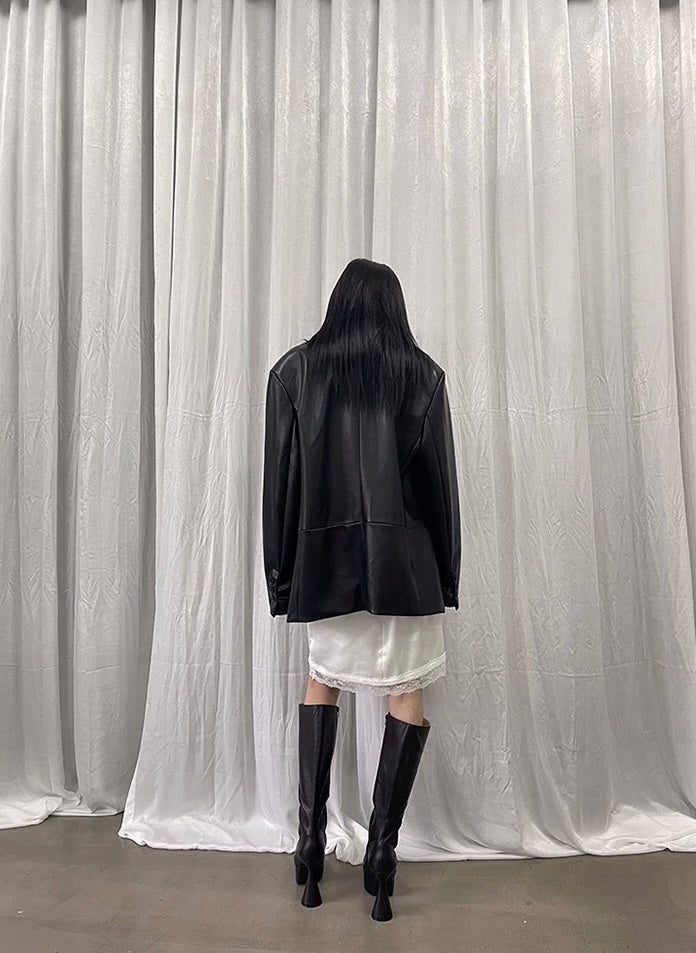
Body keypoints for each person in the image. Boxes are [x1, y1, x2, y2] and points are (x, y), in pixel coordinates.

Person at [262, 258, 461, 921]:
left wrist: (283, 577)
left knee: (322, 679)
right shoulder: (421, 376)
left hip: (326, 568)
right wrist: (446, 576)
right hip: (406, 571)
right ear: (394, 310)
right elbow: (439, 490)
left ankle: (309, 848)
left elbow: (280, 486)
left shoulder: (295, 372)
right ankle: (381, 856)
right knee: (407, 692)